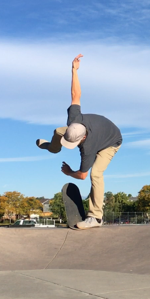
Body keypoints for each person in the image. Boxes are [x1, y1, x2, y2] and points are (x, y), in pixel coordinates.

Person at [36, 54, 122, 230]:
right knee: (58, 132)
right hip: (93, 129)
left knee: (95, 174)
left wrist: (69, 172)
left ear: (82, 140)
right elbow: (76, 94)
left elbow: (82, 176)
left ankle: (96, 218)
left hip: (111, 141)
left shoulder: (88, 148)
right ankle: (51, 148)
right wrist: (74, 70)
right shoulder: (74, 120)